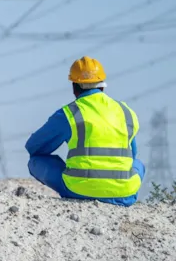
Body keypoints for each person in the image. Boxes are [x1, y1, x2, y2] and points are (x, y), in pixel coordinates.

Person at [25, 56, 145, 206]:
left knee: (36, 161)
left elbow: (33, 147)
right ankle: (119, 191)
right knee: (138, 164)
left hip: (79, 190)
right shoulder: (126, 112)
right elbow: (132, 155)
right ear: (102, 86)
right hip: (124, 194)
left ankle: (82, 188)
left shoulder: (69, 113)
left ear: (74, 87)